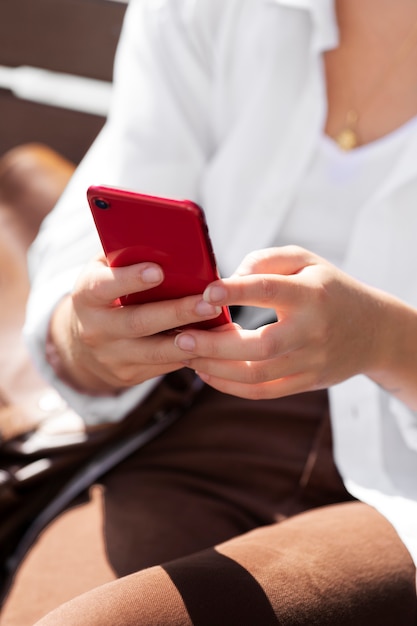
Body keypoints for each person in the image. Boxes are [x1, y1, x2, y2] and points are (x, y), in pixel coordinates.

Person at [1, 0, 417, 623]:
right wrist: (91, 339)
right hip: (188, 429)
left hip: (401, 479)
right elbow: (84, 268)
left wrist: (385, 341)